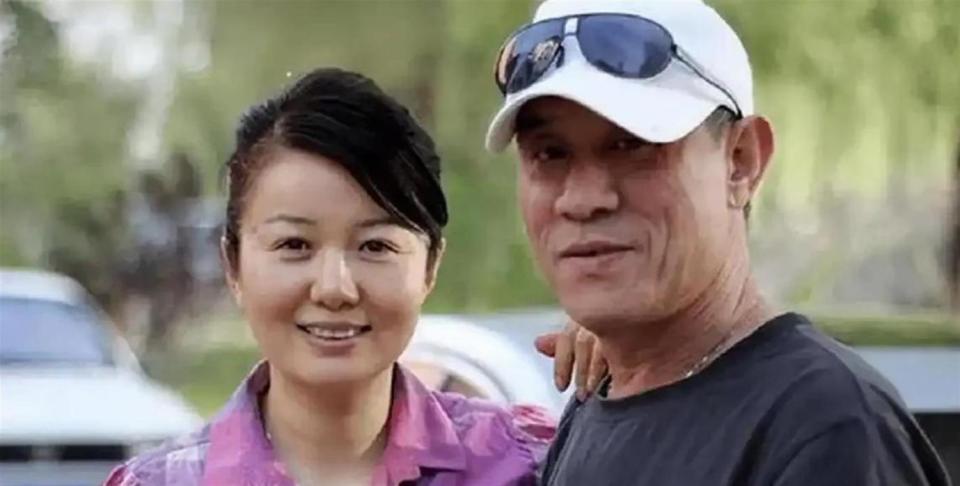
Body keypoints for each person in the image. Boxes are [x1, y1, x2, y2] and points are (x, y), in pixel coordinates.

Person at [485, 0, 953, 485]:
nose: (582, 200)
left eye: (630, 146)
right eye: (550, 154)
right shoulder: (603, 398)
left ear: (741, 161)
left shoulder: (824, 426)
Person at [106, 68, 601, 486]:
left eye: (375, 246)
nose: (335, 289)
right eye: (294, 245)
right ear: (233, 266)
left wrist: (633, 359)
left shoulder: (533, 464)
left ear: (430, 266)